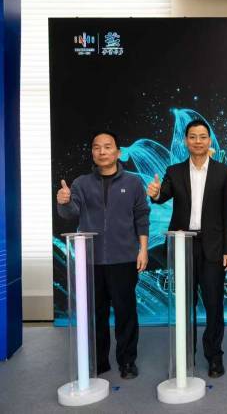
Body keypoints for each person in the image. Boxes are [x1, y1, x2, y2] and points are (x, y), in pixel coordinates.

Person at [146, 119, 227, 378]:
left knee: (214, 305)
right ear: (185, 141)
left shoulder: (224, 172)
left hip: (213, 247)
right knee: (185, 305)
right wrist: (155, 193)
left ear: (209, 140)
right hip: (183, 245)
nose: (198, 141)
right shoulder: (174, 171)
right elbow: (162, 195)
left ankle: (214, 356)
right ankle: (186, 355)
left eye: (203, 136)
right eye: (193, 137)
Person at [57, 131, 150, 379]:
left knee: (125, 313)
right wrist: (64, 201)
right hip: (92, 260)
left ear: (118, 152)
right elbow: (70, 212)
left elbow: (141, 216)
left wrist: (143, 250)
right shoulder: (81, 183)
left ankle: (127, 361)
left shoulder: (133, 182)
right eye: (97, 147)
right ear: (92, 153)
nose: (102, 151)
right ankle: (99, 361)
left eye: (108, 147)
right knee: (96, 313)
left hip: (124, 258)